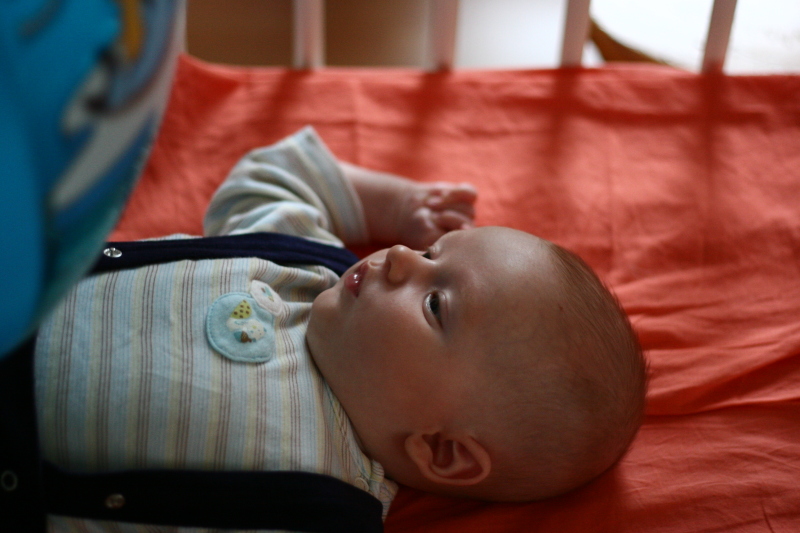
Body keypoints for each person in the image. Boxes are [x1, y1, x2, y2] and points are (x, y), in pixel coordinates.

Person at [34, 127, 646, 529]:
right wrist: (394, 202)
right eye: (431, 250)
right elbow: (275, 175)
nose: (400, 256)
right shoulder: (303, 265)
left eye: (436, 304)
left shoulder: (321, 503)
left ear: (443, 450)